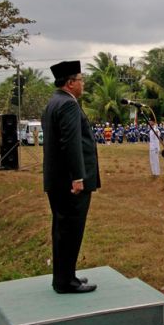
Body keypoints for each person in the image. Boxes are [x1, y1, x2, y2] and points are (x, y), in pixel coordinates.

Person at [42, 60, 99, 294]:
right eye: (80, 80)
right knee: (70, 231)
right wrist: (78, 177)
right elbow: (71, 143)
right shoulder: (68, 105)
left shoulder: (53, 103)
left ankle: (65, 276)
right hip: (70, 182)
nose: (82, 84)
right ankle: (66, 281)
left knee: (62, 229)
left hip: (57, 180)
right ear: (71, 83)